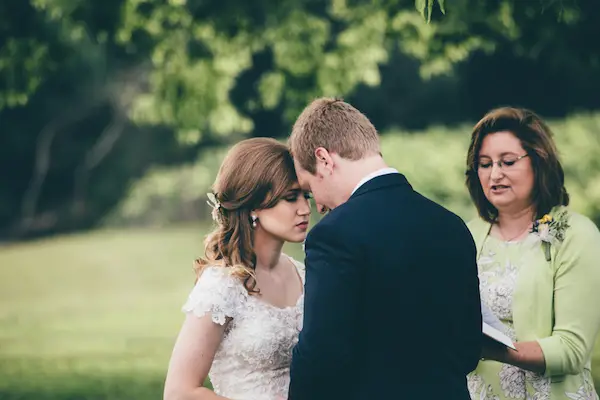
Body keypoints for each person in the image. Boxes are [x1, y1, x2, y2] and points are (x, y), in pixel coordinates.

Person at [287, 97, 483, 400]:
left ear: (324, 159)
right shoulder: (452, 225)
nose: (320, 205)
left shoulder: (334, 234)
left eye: (310, 189)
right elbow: (470, 349)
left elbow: (322, 355)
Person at [465, 107, 600, 399]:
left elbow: (572, 349)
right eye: (485, 164)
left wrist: (492, 350)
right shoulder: (467, 235)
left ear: (538, 161)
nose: (494, 174)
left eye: (508, 162)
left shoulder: (575, 234)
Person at [163, 138, 311, 400]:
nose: (305, 209)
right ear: (254, 204)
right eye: (291, 198)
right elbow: (179, 392)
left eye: (305, 195)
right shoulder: (221, 285)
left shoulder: (304, 274)